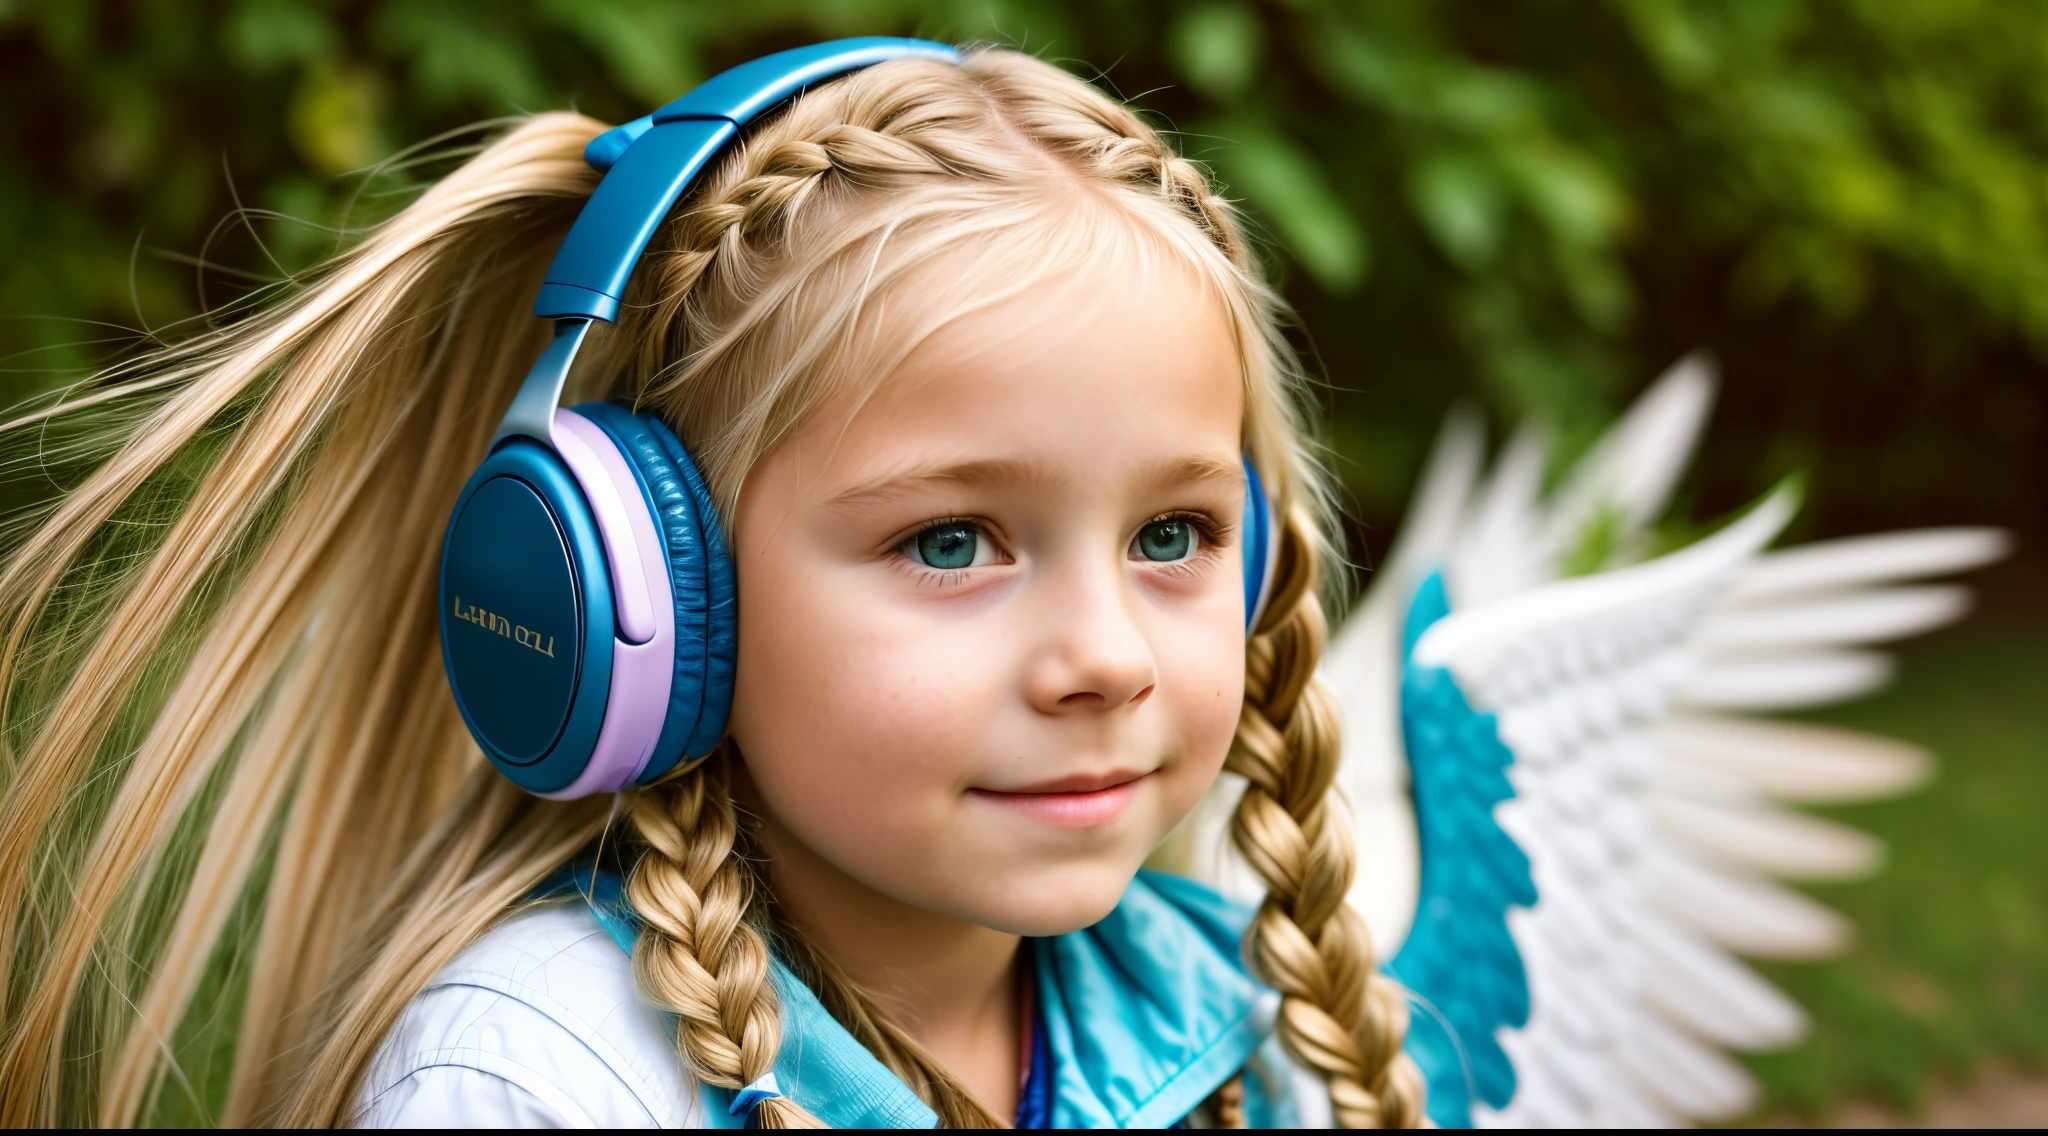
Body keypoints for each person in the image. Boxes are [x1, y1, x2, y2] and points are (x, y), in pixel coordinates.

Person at [0, 41, 1421, 1128]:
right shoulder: (540, 1068)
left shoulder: (1235, 1016)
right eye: (949, 543)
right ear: (653, 601)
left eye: (1171, 537)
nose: (1105, 657)